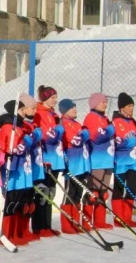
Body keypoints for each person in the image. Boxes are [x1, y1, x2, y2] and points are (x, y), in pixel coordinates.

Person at [0, 95, 38, 247]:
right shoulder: (8, 127)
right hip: (13, 171)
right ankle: (7, 234)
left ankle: (19, 232)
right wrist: (27, 141)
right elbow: (13, 149)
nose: (23, 112)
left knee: (22, 202)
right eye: (21, 109)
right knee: (12, 202)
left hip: (23, 171)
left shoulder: (20, 127)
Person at [57, 98, 92, 234]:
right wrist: (83, 134)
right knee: (70, 193)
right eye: (72, 108)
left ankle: (75, 222)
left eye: (75, 107)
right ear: (65, 111)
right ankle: (67, 224)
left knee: (78, 192)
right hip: (71, 164)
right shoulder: (64, 124)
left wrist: (84, 134)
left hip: (81, 164)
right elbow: (75, 141)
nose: (75, 110)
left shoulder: (76, 124)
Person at [33, 86, 64, 237]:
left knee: (51, 192)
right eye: (52, 98)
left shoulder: (52, 114)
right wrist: (58, 131)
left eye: (55, 97)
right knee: (43, 191)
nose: (55, 100)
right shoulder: (40, 113)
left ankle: (47, 224)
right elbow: (46, 136)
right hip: (46, 158)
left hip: (55, 159)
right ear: (45, 98)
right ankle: (39, 226)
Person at [83, 93, 114, 229]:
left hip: (108, 159)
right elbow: (97, 137)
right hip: (97, 160)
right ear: (95, 104)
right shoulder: (91, 118)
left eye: (106, 102)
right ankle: (87, 221)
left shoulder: (105, 119)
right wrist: (109, 131)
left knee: (103, 193)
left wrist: (108, 130)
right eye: (103, 102)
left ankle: (99, 221)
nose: (105, 104)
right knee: (93, 192)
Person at [111, 92, 136, 227]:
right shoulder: (117, 122)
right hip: (121, 161)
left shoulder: (132, 121)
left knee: (132, 189)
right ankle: (119, 218)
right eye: (129, 105)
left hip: (134, 162)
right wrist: (131, 142)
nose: (131, 108)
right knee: (119, 189)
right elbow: (117, 142)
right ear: (122, 107)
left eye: (132, 105)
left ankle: (127, 217)